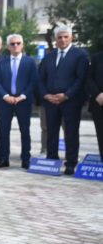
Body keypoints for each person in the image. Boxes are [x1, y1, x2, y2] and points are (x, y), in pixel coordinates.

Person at [39, 24, 90, 175]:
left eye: (65, 37)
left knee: (71, 133)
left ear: (71, 38)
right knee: (51, 131)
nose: (62, 40)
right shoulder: (49, 56)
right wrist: (46, 95)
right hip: (51, 101)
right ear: (55, 39)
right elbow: (40, 79)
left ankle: (71, 163)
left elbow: (80, 79)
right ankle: (52, 160)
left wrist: (66, 95)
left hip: (71, 101)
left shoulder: (80, 55)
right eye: (59, 37)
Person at [0, 34, 38, 169]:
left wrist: (22, 96)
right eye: (12, 44)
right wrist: (5, 96)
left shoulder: (30, 62)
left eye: (18, 43)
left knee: (24, 131)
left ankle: (25, 159)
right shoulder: (2, 62)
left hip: (23, 102)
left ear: (22, 45)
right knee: (4, 131)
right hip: (5, 102)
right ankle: (3, 159)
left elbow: (33, 81)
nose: (15, 46)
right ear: (8, 46)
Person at [87, 49, 103, 159]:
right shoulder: (96, 57)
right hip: (98, 101)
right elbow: (89, 78)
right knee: (101, 133)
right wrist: (97, 94)